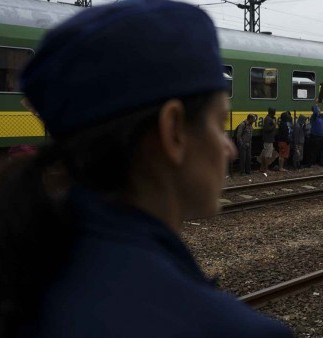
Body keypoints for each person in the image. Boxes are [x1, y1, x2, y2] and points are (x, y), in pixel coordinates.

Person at [0, 1, 294, 337]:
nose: (228, 149)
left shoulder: (31, 265)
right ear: (173, 131)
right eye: (219, 123)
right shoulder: (226, 329)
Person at [260, 107, 277, 173]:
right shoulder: (269, 119)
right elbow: (267, 129)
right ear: (272, 112)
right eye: (274, 112)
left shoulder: (267, 118)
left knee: (264, 154)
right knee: (268, 155)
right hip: (268, 139)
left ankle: (262, 168)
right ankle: (266, 169)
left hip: (267, 139)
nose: (275, 113)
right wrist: (274, 125)